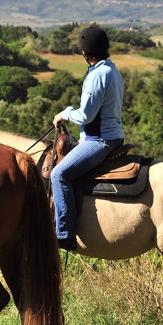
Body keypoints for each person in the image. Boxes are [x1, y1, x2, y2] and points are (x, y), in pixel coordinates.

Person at [50, 26, 124, 251]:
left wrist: (64, 113)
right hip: (109, 136)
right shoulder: (112, 69)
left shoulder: (97, 76)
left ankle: (64, 234)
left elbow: (85, 115)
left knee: (58, 174)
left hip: (98, 141)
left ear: (85, 53)